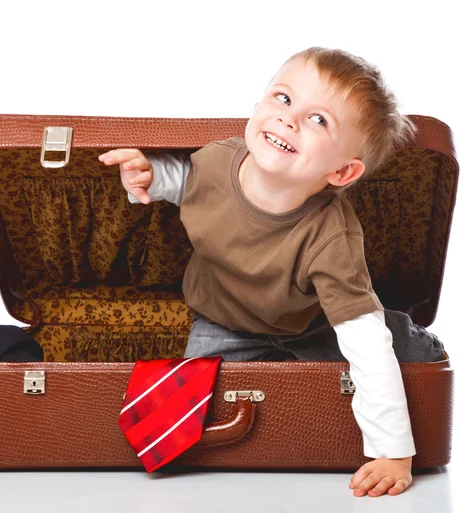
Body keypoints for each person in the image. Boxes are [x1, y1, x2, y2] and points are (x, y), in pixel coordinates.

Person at [98, 47, 444, 497]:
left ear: (342, 171)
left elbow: (362, 341)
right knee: (192, 397)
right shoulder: (217, 161)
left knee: (396, 351)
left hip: (312, 327)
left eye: (319, 120)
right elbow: (188, 183)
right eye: (282, 98)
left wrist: (393, 452)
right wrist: (150, 175)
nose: (289, 119)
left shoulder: (332, 237)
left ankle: (411, 332)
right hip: (222, 323)